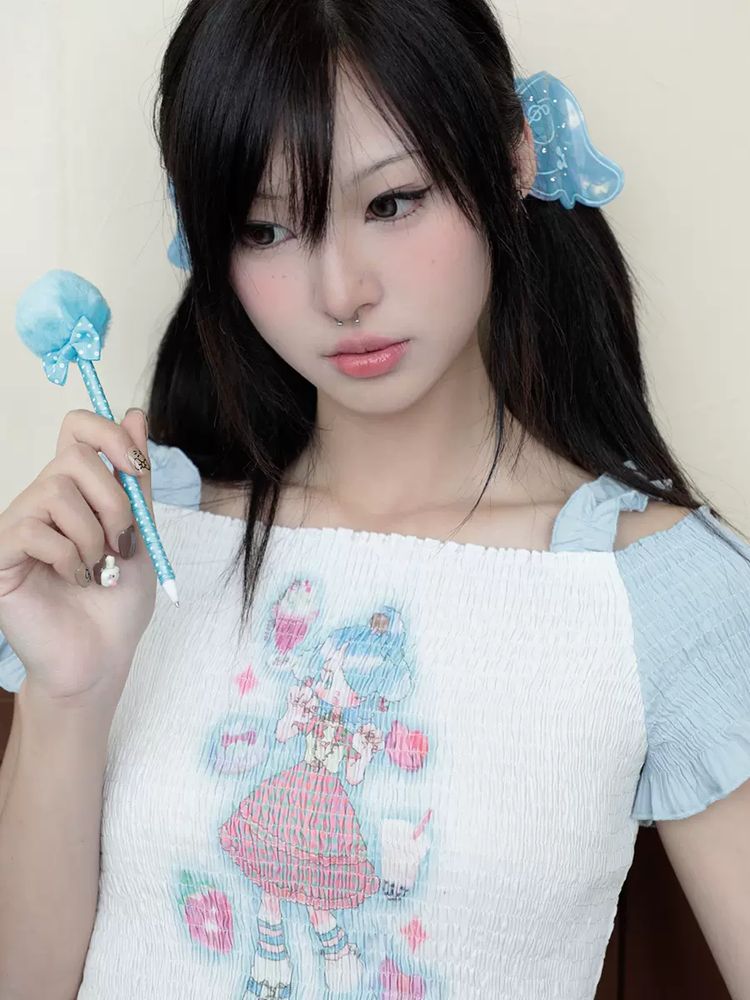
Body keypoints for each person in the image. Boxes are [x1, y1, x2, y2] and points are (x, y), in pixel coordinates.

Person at [1, 0, 749, 997]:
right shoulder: (146, 543)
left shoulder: (654, 590)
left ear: (513, 159)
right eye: (267, 228)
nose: (340, 290)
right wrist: (67, 696)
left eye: (392, 202)